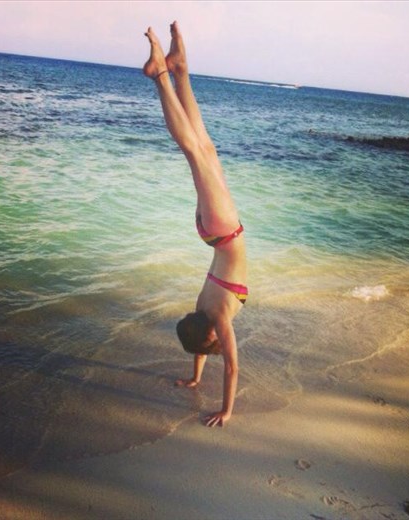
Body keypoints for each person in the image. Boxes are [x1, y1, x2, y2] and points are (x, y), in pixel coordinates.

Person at [143, 22, 247, 427]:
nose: (216, 342)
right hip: (214, 231)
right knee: (205, 147)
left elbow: (233, 367)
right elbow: (202, 348)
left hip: (223, 228)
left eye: (209, 343)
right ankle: (180, 68)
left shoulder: (218, 316)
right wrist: (195, 377)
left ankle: (161, 76)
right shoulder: (203, 309)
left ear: (209, 332)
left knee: (193, 149)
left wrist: (227, 410)